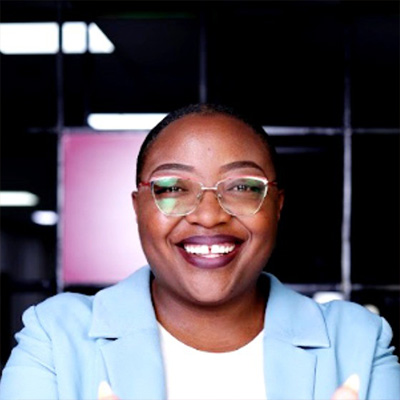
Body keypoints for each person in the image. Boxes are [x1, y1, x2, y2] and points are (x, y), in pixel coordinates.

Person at [0, 104, 399, 400]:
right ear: (138, 208)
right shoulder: (54, 339)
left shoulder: (359, 343)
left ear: (277, 206)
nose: (208, 216)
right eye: (173, 188)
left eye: (242, 187)